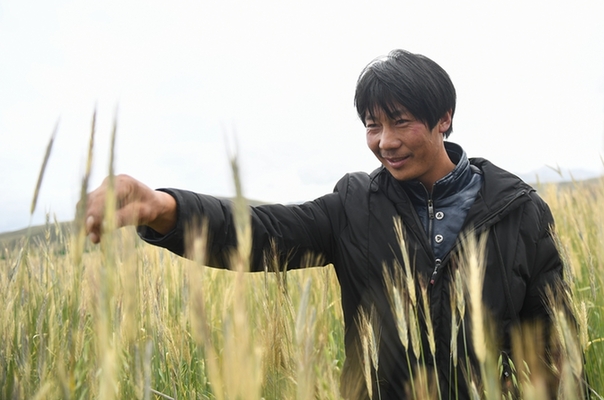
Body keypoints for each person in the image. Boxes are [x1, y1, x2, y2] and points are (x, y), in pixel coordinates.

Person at [85, 49, 571, 399]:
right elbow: (261, 233)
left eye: (400, 121)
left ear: (444, 118)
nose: (384, 142)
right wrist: (165, 209)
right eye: (372, 125)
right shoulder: (353, 207)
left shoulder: (518, 212)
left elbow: (554, 344)